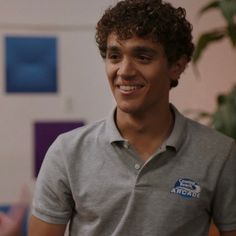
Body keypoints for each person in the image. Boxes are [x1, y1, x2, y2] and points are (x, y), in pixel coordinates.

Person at [28, 0, 236, 235]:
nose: (124, 71)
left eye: (143, 57)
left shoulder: (220, 153)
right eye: (114, 56)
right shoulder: (67, 151)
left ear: (177, 66)